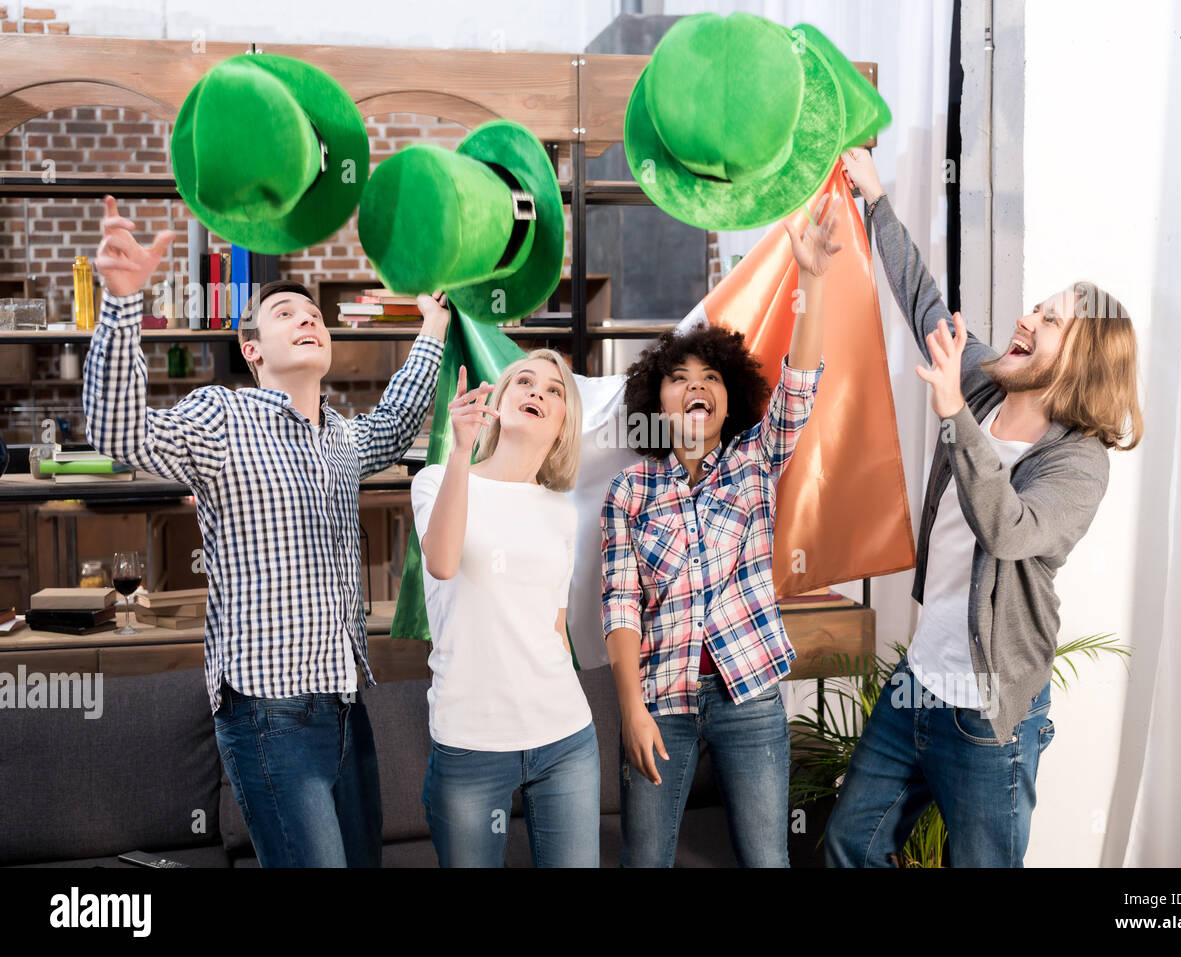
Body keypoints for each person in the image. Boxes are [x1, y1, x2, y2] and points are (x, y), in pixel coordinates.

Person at [84, 196, 449, 867]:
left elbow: (397, 424)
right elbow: (117, 433)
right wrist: (122, 302)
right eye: (286, 314)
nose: (307, 317)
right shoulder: (222, 417)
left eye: (313, 314)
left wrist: (431, 328)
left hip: (345, 703)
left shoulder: (340, 436)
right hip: (270, 714)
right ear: (252, 351)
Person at [824, 148, 1143, 867]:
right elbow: (923, 302)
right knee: (852, 842)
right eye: (1038, 306)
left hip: (988, 714)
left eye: (1051, 320)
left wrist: (951, 414)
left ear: (1082, 360)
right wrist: (877, 199)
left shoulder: (1078, 462)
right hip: (918, 683)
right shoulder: (985, 383)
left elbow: (1008, 527)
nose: (1028, 317)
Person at [601, 194, 842, 867]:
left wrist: (812, 279)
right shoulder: (630, 490)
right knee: (645, 859)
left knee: (767, 859)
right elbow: (620, 608)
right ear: (659, 400)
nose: (695, 387)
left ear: (728, 396)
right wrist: (631, 710)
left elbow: (800, 385)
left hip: (751, 693)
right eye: (679, 379)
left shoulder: (755, 460)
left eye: (709, 377)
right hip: (662, 697)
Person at [411, 349, 597, 867]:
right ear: (498, 400)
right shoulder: (437, 481)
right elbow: (443, 563)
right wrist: (459, 449)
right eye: (524, 381)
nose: (538, 392)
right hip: (471, 742)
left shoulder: (563, 513)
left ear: (562, 427)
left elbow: (554, 627)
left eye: (554, 390)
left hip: (565, 738)